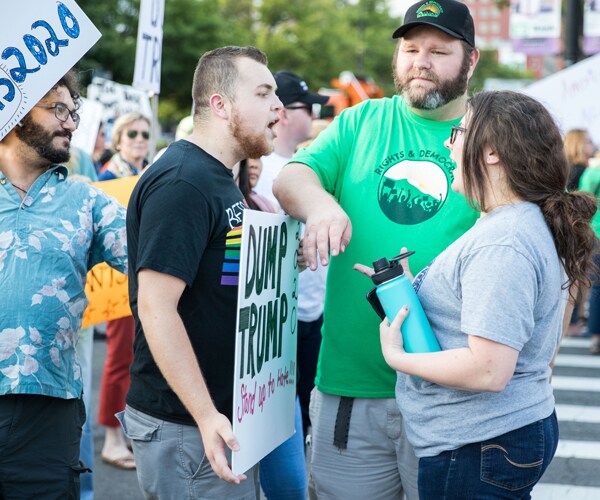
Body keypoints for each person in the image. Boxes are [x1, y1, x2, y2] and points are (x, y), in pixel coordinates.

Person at [273, 1, 480, 498]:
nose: (420, 61)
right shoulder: (360, 121)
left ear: (471, 61)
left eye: (438, 51)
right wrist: (321, 206)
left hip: (453, 395)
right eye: (410, 49)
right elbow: (292, 177)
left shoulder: (491, 132)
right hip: (351, 389)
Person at [372, 90, 598, 499]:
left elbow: (489, 371)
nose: (448, 142)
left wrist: (397, 357)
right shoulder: (517, 223)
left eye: (457, 131)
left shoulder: (504, 240)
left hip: (478, 446)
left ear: (491, 151)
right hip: (494, 438)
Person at [118, 46, 282, 498]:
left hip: (218, 421)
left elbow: (217, 275)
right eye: (264, 93)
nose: (279, 107)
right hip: (188, 426)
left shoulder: (216, 178)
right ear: (220, 104)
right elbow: (156, 307)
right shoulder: (184, 182)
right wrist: (207, 415)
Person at [0, 70, 128, 498]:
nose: (71, 122)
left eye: (74, 112)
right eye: (58, 109)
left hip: (49, 414)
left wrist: (262, 252)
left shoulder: (86, 201)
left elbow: (161, 254)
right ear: (15, 110)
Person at [255, 72, 329, 447]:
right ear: (283, 113)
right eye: (309, 107)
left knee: (306, 418)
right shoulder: (255, 170)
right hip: (278, 319)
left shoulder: (310, 164)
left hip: (315, 313)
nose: (315, 115)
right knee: (281, 425)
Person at [97, 111, 151, 471]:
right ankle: (111, 439)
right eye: (131, 132)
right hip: (115, 281)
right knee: (120, 358)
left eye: (145, 133)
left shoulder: (151, 172)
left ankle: (130, 431)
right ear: (118, 139)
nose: (139, 138)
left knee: (141, 357)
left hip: (145, 275)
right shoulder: (107, 178)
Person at [579, 154, 600, 354]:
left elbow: (585, 198)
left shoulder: (594, 171)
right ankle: (595, 337)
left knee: (597, 289)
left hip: (595, 232)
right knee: (597, 288)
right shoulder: (594, 171)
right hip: (597, 234)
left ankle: (595, 338)